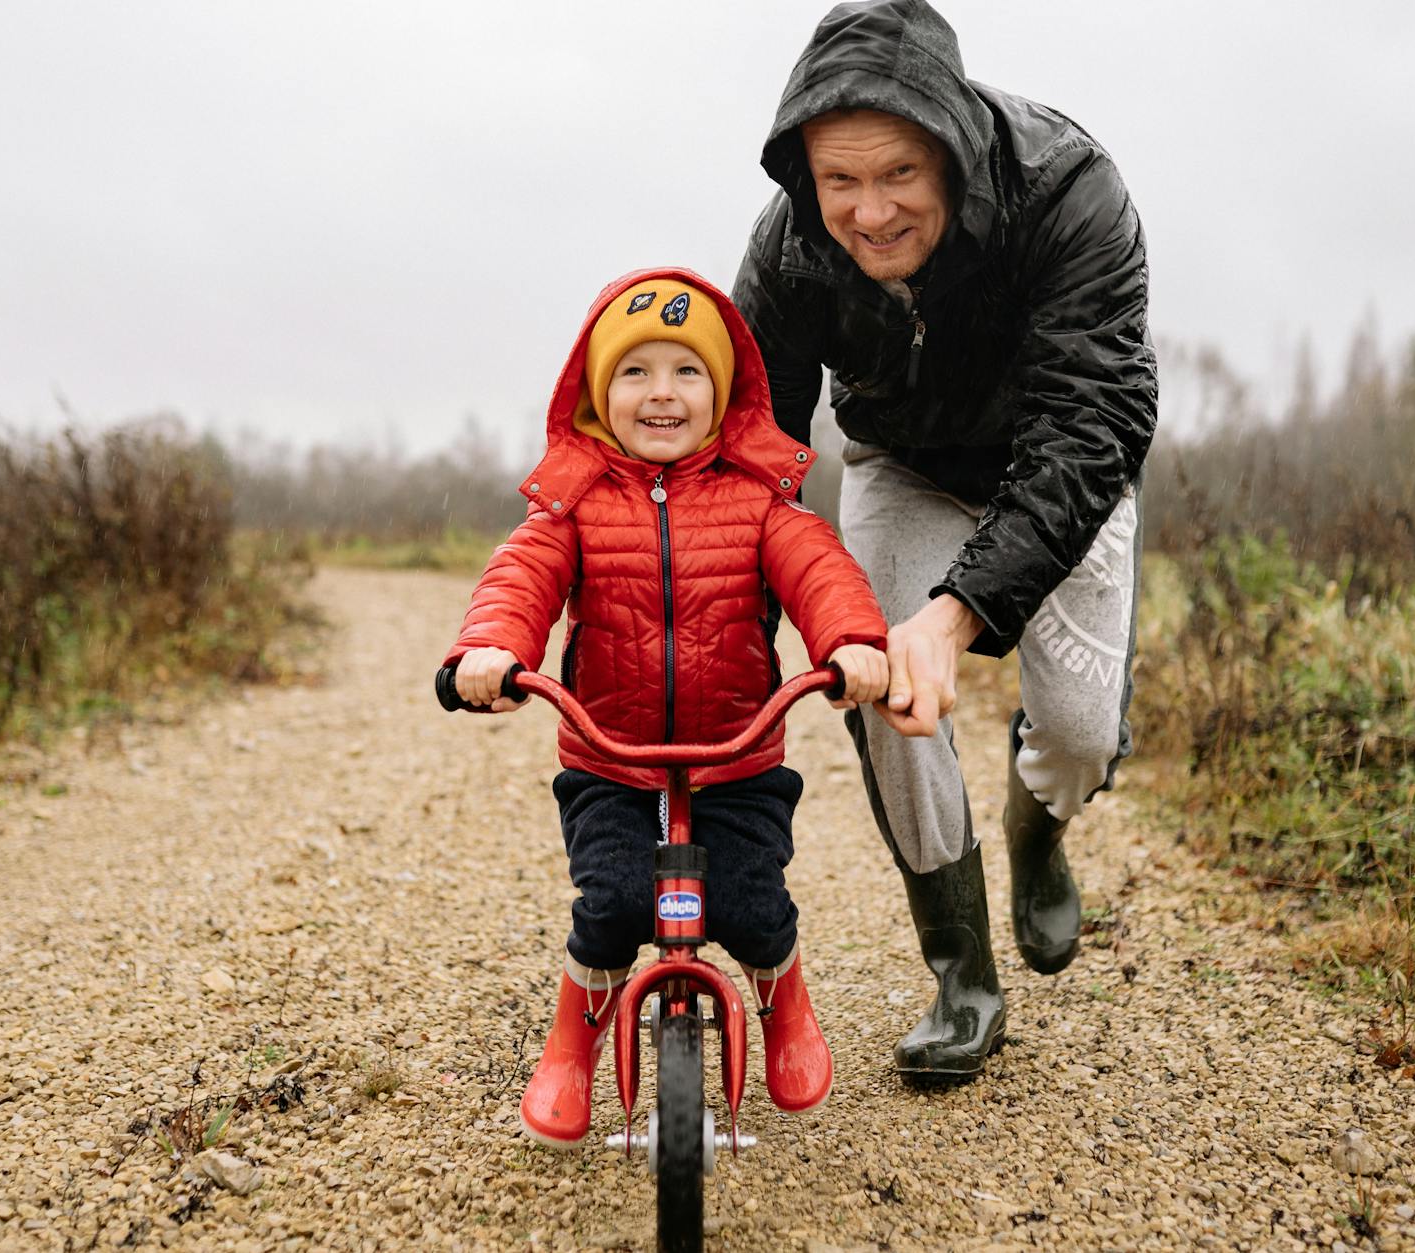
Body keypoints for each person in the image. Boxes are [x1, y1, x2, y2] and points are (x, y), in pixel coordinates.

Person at [733, 0, 1158, 1080]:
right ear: (804, 173)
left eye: (897, 177)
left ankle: (1037, 830)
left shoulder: (1069, 191)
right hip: (901, 465)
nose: (867, 214)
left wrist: (957, 611)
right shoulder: (788, 249)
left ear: (952, 152)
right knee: (883, 688)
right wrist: (735, 628)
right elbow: (755, 448)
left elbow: (1092, 421)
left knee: (1073, 730)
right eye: (839, 182)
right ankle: (961, 969)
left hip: (1056, 467)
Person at [442, 269, 891, 1147]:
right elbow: (520, 577)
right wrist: (490, 650)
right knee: (610, 904)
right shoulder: (572, 506)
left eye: (687, 372)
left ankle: (783, 998)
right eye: (636, 371)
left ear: (721, 395)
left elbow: (819, 569)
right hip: (611, 761)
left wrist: (851, 642)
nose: (662, 393)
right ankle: (573, 1042)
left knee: (754, 904)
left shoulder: (760, 500)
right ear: (598, 393)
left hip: (738, 756)